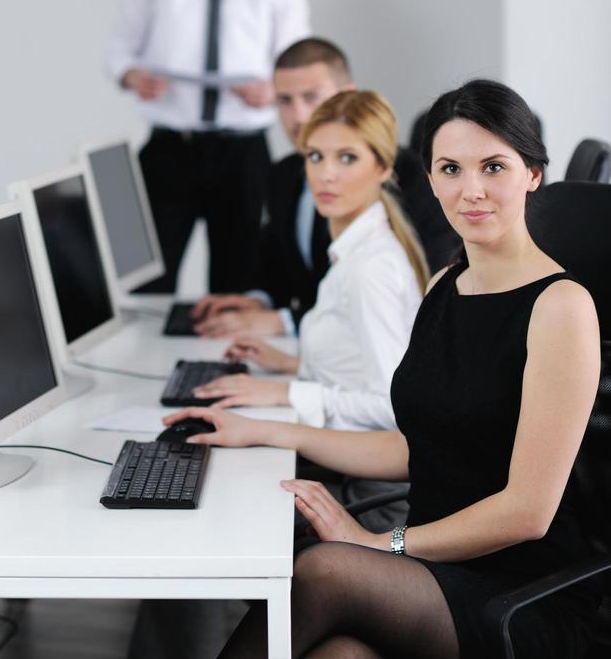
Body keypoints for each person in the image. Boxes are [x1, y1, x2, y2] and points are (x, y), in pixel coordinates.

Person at [165, 78, 601, 659]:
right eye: (451, 169)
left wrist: (381, 544)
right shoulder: (448, 285)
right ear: (429, 180)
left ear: (533, 173)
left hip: (519, 594)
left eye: (493, 167)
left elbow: (528, 512)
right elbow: (411, 447)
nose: (471, 190)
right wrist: (262, 429)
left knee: (324, 571)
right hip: (424, 575)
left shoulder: (561, 307)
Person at [104, 0, 310, 294]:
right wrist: (132, 74)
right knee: (146, 285)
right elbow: (119, 48)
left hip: (243, 152)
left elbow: (298, 63)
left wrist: (273, 90)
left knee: (236, 287)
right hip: (169, 149)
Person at [193, 89, 427, 433]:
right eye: (315, 156)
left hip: (356, 471)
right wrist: (295, 365)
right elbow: (358, 369)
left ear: (383, 167)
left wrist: (285, 392)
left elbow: (393, 407)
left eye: (347, 158)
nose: (325, 174)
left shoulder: (369, 269)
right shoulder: (352, 253)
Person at [191, 37, 459, 338]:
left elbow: (412, 301)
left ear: (347, 96)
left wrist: (286, 321)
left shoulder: (414, 180)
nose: (298, 116)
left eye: (311, 97)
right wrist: (257, 300)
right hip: (314, 355)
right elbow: (276, 259)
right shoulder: (284, 174)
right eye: (285, 100)